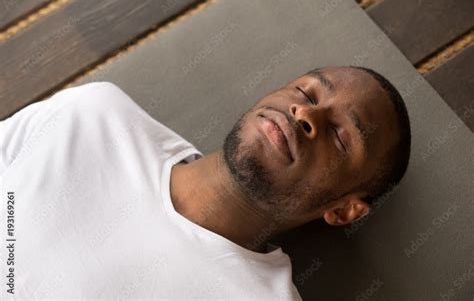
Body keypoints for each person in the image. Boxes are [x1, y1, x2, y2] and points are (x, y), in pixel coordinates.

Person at [0, 66, 410, 299]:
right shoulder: (92, 115)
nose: (304, 112)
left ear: (343, 209)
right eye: (306, 90)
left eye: (341, 136)